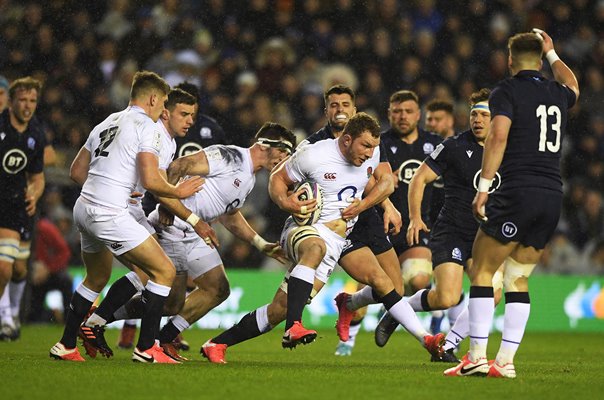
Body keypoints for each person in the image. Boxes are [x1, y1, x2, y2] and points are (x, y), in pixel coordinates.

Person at [201, 113, 444, 364]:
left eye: (374, 147)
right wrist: (287, 201)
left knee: (281, 309)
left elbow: (385, 185)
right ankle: (294, 326)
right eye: (366, 146)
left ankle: (217, 343)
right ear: (347, 140)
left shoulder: (372, 155)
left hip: (339, 241)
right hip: (303, 228)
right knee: (315, 247)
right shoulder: (314, 154)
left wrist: (366, 206)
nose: (371, 152)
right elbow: (278, 179)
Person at [80, 122, 294, 360]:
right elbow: (179, 165)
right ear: (264, 145)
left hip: (195, 232)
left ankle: (163, 338)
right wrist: (167, 206)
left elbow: (230, 216)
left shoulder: (249, 179)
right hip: (174, 227)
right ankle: (100, 319)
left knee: (218, 289)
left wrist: (259, 243)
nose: (284, 159)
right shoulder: (230, 155)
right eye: (283, 152)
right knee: (170, 302)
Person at [445, 30, 579, 378]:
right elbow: (574, 86)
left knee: (483, 272)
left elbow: (499, 135)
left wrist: (484, 187)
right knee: (519, 278)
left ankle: (475, 356)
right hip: (551, 194)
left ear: (508, 59)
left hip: (517, 190)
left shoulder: (507, 90)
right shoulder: (556, 91)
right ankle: (504, 362)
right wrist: (553, 54)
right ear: (538, 60)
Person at [49, 71, 203, 363]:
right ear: (155, 98)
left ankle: (67, 344)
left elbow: (76, 171)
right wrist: (177, 190)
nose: (163, 111)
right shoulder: (149, 126)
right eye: (163, 103)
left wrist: (109, 186)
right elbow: (150, 178)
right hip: (110, 210)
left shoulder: (107, 121)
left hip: (84, 208)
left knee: (96, 277)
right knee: (164, 272)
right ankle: (147, 348)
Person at [300, 85, 430, 358]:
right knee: (370, 280)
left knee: (394, 286)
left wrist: (386, 206)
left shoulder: (368, 138)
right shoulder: (314, 146)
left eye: (345, 104)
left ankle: (350, 302)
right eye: (334, 105)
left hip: (364, 214)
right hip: (331, 225)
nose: (339, 109)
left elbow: (379, 180)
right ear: (326, 110)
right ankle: (288, 318)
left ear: (354, 109)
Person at [403, 88, 505, 363]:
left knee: (492, 296)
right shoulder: (454, 147)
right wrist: (415, 217)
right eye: (475, 115)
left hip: (485, 235)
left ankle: (448, 345)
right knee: (446, 298)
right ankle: (397, 310)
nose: (478, 120)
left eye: (485, 115)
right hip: (452, 231)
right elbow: (419, 179)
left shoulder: (508, 151)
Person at [373, 90, 442, 344]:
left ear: (418, 115)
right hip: (382, 227)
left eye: (408, 111)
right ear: (389, 114)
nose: (403, 117)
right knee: (377, 290)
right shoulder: (377, 144)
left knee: (420, 279)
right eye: (397, 111)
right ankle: (352, 306)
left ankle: (394, 311)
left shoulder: (434, 144)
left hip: (417, 226)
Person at [0, 75, 57, 341]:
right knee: (4, 267)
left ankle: (11, 314)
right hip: (2, 204)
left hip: (20, 206)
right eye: (22, 100)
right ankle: (5, 317)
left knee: (19, 269)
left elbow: (37, 177)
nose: (27, 105)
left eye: (32, 100)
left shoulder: (35, 132)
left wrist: (34, 195)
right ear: (10, 102)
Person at [28, 215, 73, 324]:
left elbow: (65, 252)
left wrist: (49, 269)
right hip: (28, 272)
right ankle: (49, 316)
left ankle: (68, 319)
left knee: (65, 281)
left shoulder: (44, 228)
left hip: (47, 272)